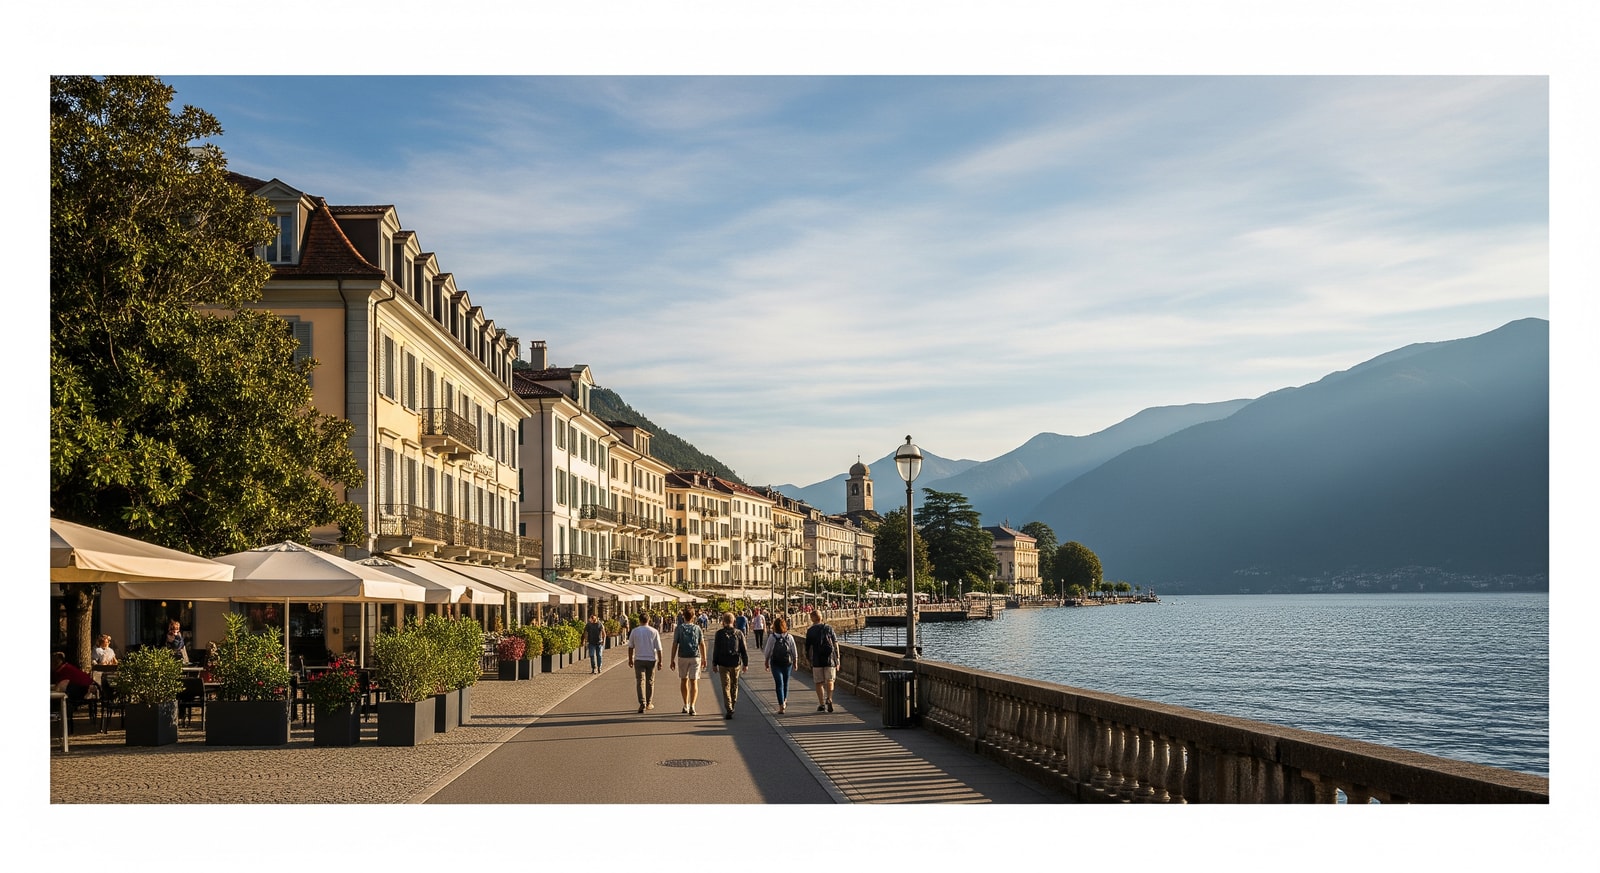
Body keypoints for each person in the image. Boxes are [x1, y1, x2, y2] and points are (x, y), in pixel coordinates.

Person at [710, 611, 749, 718]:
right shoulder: (739, 633)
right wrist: (745, 663)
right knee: (735, 685)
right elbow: (744, 649)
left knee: (725, 686)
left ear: (723, 621)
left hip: (723, 663)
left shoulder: (719, 634)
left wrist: (714, 663)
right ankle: (733, 702)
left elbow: (716, 650)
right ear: (733, 621)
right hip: (735, 662)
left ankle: (729, 708)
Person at [669, 609, 705, 715]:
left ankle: (686, 704)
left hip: (682, 656)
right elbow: (701, 644)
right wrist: (704, 658)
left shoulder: (679, 628)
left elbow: (675, 644)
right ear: (693, 616)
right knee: (694, 681)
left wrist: (672, 659)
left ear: (683, 616)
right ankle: (693, 706)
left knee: (684, 680)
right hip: (695, 656)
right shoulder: (697, 628)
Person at [627, 615, 663, 713]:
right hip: (651, 659)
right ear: (649, 620)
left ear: (639, 620)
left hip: (639, 659)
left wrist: (630, 659)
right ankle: (648, 703)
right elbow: (659, 648)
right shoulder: (654, 631)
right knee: (650, 681)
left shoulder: (635, 631)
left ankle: (642, 703)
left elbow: (630, 646)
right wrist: (660, 661)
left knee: (640, 682)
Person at [804, 610, 839, 713]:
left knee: (819, 682)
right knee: (830, 680)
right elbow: (835, 643)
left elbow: (807, 648)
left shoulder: (810, 631)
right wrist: (838, 658)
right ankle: (829, 698)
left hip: (817, 659)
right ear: (821, 617)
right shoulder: (829, 628)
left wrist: (808, 660)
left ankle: (822, 704)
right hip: (830, 659)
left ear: (812, 618)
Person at [764, 616, 798, 714]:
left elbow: (768, 651)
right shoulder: (789, 637)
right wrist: (795, 661)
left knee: (779, 684)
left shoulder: (772, 637)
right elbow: (793, 650)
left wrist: (766, 662)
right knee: (786, 682)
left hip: (775, 663)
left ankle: (781, 705)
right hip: (787, 663)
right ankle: (784, 700)